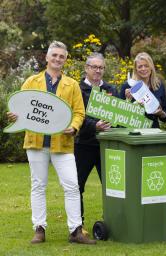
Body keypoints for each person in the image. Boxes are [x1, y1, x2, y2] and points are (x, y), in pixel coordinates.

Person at [6, 41, 96, 244]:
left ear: (65, 60)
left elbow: (79, 112)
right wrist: (16, 115)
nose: (57, 59)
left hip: (62, 144)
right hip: (36, 142)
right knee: (38, 185)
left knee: (72, 186)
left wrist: (74, 127)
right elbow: (21, 108)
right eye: (54, 55)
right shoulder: (31, 82)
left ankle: (75, 231)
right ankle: (39, 229)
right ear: (47, 58)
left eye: (61, 56)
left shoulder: (72, 85)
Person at [75, 52, 118, 232]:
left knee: (113, 186)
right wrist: (95, 126)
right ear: (86, 68)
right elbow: (75, 116)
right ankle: (78, 224)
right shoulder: (77, 89)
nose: (98, 70)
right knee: (77, 186)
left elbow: (118, 115)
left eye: (101, 67)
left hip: (106, 145)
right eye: (94, 67)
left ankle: (116, 222)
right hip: (83, 145)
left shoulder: (111, 89)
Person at [119, 52, 166, 127]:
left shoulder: (158, 85)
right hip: (133, 131)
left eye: (146, 66)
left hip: (153, 131)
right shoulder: (128, 86)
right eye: (140, 66)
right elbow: (119, 113)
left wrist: (161, 113)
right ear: (136, 69)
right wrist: (128, 101)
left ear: (151, 67)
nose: (143, 69)